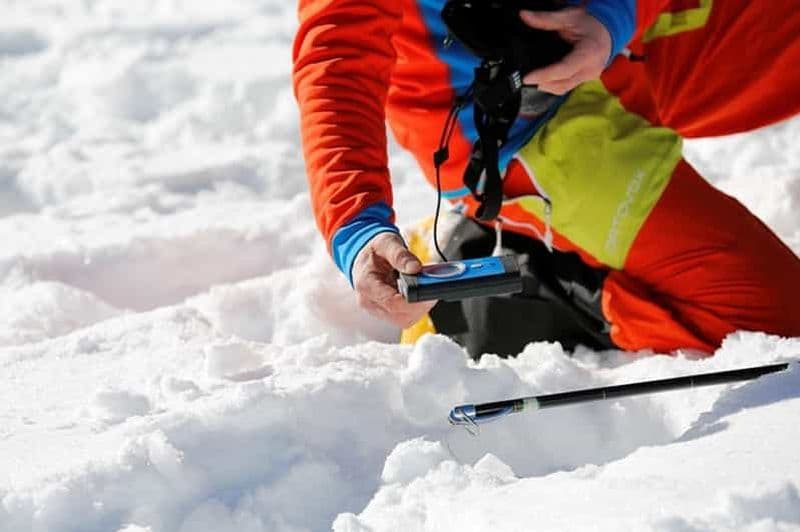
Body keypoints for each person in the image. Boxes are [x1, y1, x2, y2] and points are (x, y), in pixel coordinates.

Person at [292, 0, 800, 356]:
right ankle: (540, 280)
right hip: (521, 132)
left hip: (615, 36)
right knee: (779, 318)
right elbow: (336, 62)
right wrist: (357, 226)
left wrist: (614, 15)